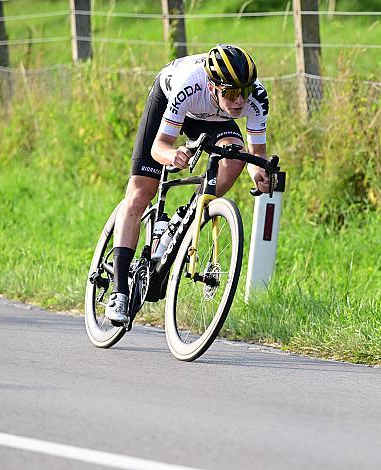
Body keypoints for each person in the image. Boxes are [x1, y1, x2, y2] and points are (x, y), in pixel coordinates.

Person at [105, 44, 271, 324]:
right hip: (171, 105)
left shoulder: (256, 97)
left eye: (244, 91)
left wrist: (259, 175)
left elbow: (256, 155)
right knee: (141, 191)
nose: (239, 100)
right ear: (212, 86)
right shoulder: (189, 85)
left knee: (234, 159)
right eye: (231, 92)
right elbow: (160, 146)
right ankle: (119, 291)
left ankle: (189, 212)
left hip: (214, 119)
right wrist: (173, 155)